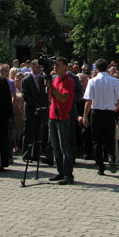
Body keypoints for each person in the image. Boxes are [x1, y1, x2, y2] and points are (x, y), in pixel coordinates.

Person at [82, 58, 119, 175]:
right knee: (110, 138)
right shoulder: (114, 81)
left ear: (96, 68)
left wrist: (85, 116)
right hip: (110, 113)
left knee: (97, 140)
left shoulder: (92, 81)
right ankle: (111, 157)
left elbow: (88, 100)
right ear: (107, 68)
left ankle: (100, 166)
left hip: (96, 113)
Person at [48, 57, 76, 185]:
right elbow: (51, 97)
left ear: (65, 67)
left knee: (65, 146)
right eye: (54, 65)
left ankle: (68, 174)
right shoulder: (55, 80)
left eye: (58, 65)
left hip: (63, 117)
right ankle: (60, 171)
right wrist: (49, 86)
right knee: (55, 146)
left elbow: (64, 98)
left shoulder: (68, 81)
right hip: (52, 115)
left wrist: (52, 89)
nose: (55, 68)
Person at [21, 58, 49, 162]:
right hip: (31, 110)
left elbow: (45, 94)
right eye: (37, 66)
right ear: (32, 66)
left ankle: (36, 154)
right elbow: (26, 96)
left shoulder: (42, 79)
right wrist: (36, 105)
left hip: (40, 110)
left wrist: (43, 105)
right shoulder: (26, 80)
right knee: (29, 134)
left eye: (40, 67)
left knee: (38, 134)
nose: (39, 68)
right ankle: (26, 155)